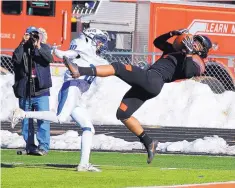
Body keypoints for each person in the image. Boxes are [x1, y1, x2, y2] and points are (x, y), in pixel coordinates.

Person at [56, 29, 212, 164]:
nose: (194, 43)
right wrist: (173, 33)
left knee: (118, 67)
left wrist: (189, 53)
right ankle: (149, 142)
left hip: (154, 80)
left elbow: (187, 71)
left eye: (199, 44)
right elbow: (157, 41)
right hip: (149, 82)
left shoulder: (197, 62)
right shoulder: (175, 50)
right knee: (123, 113)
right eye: (195, 40)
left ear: (202, 50)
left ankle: (79, 70)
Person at [11, 28, 109, 172]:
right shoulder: (81, 48)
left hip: (78, 94)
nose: (101, 45)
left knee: (88, 128)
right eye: (99, 41)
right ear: (89, 39)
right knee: (60, 117)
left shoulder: (95, 57)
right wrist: (58, 52)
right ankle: (23, 114)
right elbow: (67, 54)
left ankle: (83, 164)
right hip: (72, 87)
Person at [11, 26, 53, 156]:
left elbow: (49, 59)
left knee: (43, 120)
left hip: (41, 90)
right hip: (25, 90)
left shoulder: (44, 47)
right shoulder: (22, 48)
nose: (32, 37)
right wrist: (22, 43)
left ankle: (43, 147)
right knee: (25, 121)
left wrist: (38, 46)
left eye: (35, 35)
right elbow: (16, 60)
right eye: (30, 35)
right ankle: (29, 146)